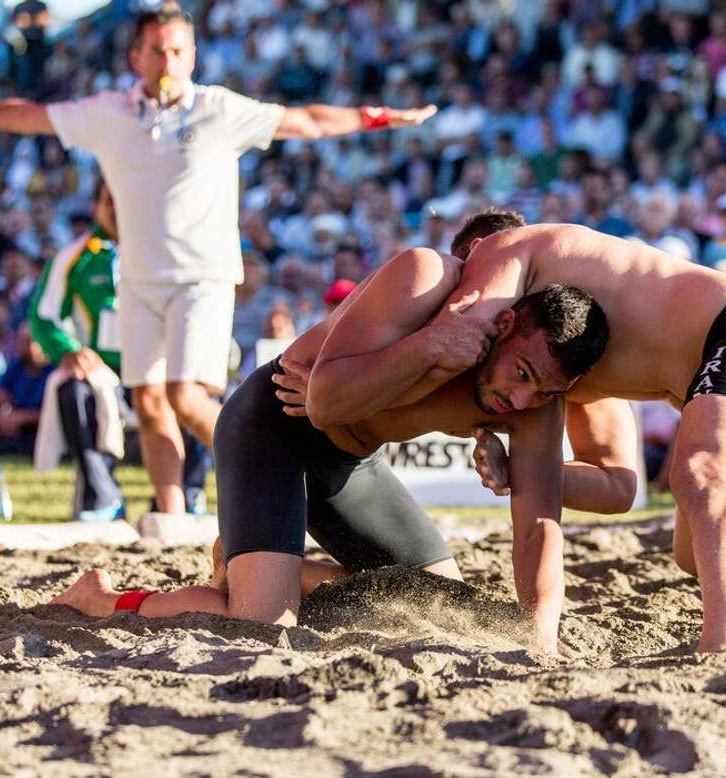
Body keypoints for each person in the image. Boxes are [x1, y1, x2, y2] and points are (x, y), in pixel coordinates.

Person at [0, 6, 436, 516]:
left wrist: (380, 116)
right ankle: (173, 515)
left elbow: (310, 121)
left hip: (202, 279)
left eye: (179, 51)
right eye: (157, 51)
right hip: (137, 281)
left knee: (183, 395)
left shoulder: (219, 110)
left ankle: (282, 475)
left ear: (194, 55)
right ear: (135, 57)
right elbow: (32, 117)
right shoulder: (109, 113)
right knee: (151, 402)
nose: (168, 61)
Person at [53, 211, 637, 655]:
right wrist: (429, 346)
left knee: (437, 602)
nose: (521, 397)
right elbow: (322, 404)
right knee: (259, 626)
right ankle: (103, 598)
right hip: (276, 428)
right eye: (473, 284)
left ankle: (256, 564)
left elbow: (542, 519)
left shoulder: (527, 372)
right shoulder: (425, 283)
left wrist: (541, 633)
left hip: (349, 463)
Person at [380, 222, 726, 652]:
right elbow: (618, 487)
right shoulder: (566, 358)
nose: (461, 281)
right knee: (705, 550)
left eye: (465, 270)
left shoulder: (511, 252)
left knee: (702, 475)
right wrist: (519, 470)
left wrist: (347, 372)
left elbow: (457, 326)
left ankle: (725, 655)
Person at [28, 182, 208, 520]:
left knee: (193, 392)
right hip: (105, 375)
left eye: (122, 196)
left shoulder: (165, 252)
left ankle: (189, 492)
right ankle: (102, 496)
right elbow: (44, 315)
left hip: (158, 368)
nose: (115, 207)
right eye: (107, 199)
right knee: (74, 390)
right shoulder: (74, 258)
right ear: (96, 205)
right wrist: (70, 350)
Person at [0, 322, 53, 454]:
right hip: (13, 428)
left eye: (32, 341)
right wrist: (0, 418)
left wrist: (20, 418)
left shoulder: (54, 371)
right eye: (23, 342)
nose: (29, 347)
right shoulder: (15, 367)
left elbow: (54, 414)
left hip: (39, 429)